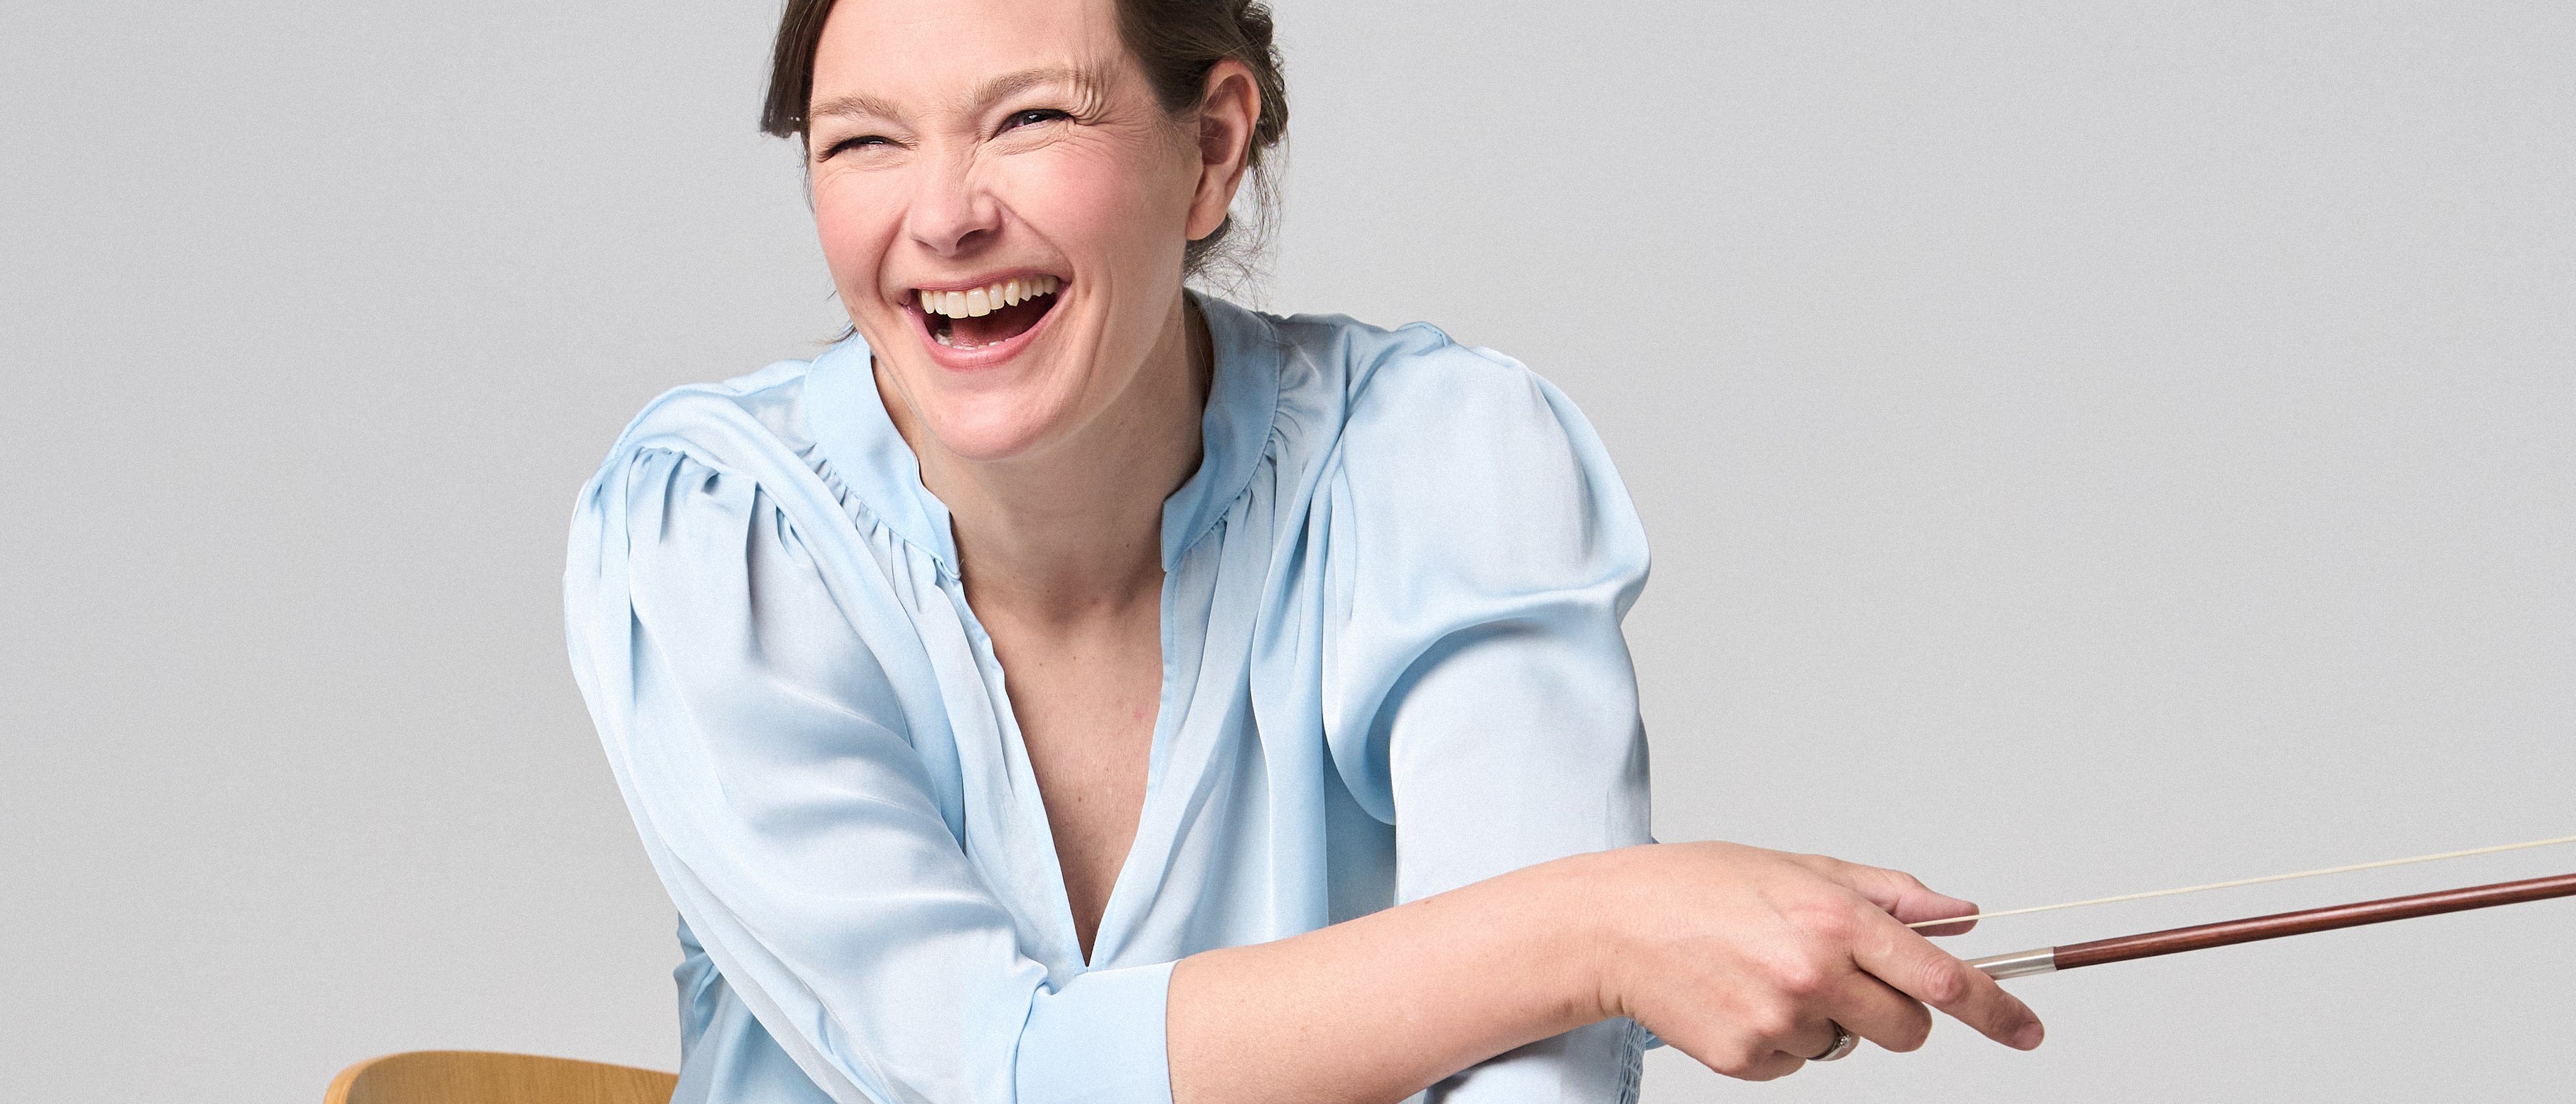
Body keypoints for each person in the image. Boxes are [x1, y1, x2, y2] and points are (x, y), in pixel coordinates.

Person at [562, 1, 2045, 1101]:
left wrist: (1588, 957)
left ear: (1211, 150)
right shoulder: (713, 537)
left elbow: (1536, 1082)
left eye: (1029, 118)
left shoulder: (1437, 464)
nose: (943, 215)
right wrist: (1597, 929)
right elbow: (994, 1078)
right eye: (863, 143)